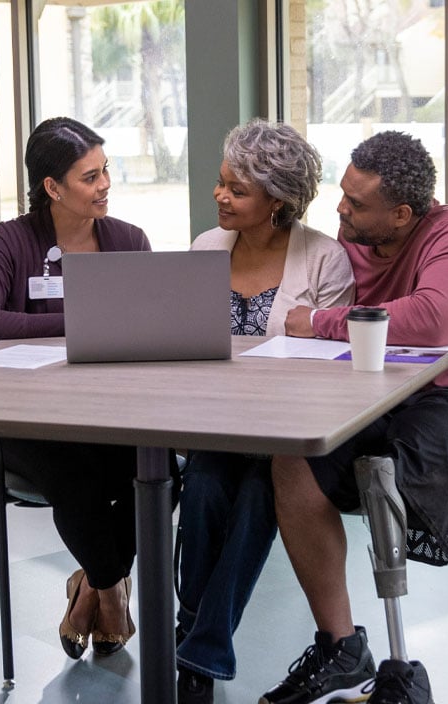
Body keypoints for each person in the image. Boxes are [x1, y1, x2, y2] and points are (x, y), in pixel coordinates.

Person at [258, 131, 448, 704]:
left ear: (402, 214)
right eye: (343, 194)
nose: (341, 209)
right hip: (386, 393)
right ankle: (341, 647)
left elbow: (433, 323)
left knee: (383, 471)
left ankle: (401, 668)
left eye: (356, 204)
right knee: (297, 454)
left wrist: (322, 322)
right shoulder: (352, 239)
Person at [0, 116, 155, 661]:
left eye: (105, 171)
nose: (104, 185)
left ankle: (91, 583)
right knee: (78, 480)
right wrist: (79, 319)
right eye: (90, 177)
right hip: (26, 420)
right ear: (52, 187)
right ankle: (113, 589)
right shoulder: (12, 241)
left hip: (112, 413)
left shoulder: (127, 241)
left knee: (163, 476)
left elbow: (149, 322)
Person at [175, 119, 355, 704]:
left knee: (257, 496)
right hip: (215, 421)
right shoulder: (207, 248)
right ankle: (200, 644)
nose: (220, 196)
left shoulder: (325, 260)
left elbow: (336, 361)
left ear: (277, 201)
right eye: (220, 183)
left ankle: (195, 650)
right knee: (201, 488)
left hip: (285, 429)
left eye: (237, 190)